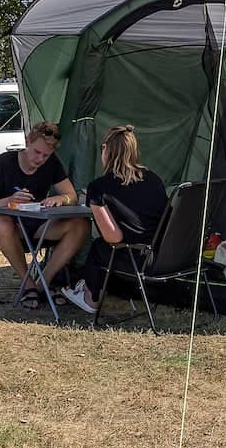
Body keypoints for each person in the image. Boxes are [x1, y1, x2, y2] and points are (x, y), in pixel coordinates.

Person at [0, 121, 89, 309]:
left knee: (81, 224)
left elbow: (72, 196)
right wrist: (9, 200)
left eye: (46, 155)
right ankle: (28, 285)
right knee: (4, 223)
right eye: (37, 152)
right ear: (27, 142)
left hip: (38, 223)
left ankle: (43, 283)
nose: (40, 159)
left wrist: (61, 199)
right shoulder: (4, 162)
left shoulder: (51, 163)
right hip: (6, 225)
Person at [61, 124, 167, 315]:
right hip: (165, 256)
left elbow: (114, 237)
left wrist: (93, 203)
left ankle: (90, 298)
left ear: (106, 150)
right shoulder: (154, 179)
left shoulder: (100, 187)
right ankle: (88, 288)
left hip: (137, 259)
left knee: (100, 247)